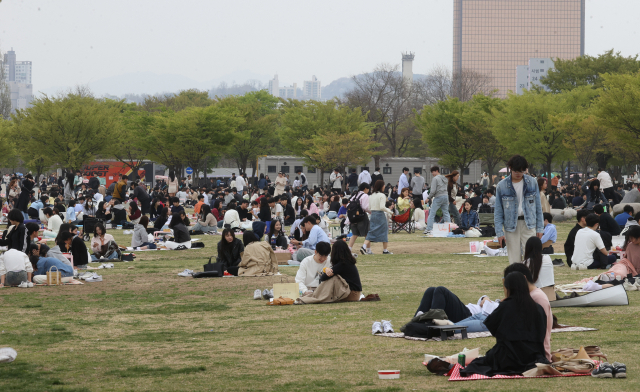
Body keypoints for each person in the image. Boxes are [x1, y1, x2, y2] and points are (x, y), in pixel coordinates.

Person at [460, 271, 549, 377]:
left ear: (508, 288)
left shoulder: (505, 307)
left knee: (480, 362)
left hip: (507, 357)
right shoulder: (538, 308)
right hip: (533, 357)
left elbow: (492, 327)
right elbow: (542, 332)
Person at [494, 155, 544, 264]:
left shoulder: (532, 182)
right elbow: (498, 211)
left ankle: (530, 280)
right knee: (514, 259)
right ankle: (516, 279)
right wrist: (499, 232)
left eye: (521, 171)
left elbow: (538, 207)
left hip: (529, 224)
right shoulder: (501, 186)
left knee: (531, 258)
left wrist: (540, 228)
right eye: (516, 171)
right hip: (511, 226)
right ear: (510, 168)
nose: (518, 174)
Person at [297, 240, 361, 304]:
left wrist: (327, 270)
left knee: (334, 278)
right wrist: (304, 291)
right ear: (315, 252)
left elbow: (324, 277)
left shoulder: (337, 263)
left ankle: (313, 298)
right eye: (321, 255)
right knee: (333, 277)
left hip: (348, 293)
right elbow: (299, 280)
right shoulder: (306, 262)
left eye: (326, 256)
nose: (323, 258)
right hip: (310, 289)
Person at [362, 180, 394, 255]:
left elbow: (369, 207)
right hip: (380, 214)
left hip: (373, 214)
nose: (384, 187)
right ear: (381, 186)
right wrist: (390, 211)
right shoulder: (382, 195)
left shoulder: (371, 195)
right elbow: (382, 207)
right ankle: (385, 250)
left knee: (372, 231)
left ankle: (364, 246)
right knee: (384, 230)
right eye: (383, 185)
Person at [424, 166, 451, 236]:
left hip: (438, 197)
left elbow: (433, 190)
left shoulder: (435, 179)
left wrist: (428, 197)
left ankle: (429, 229)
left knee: (432, 213)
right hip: (445, 196)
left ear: (436, 171)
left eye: (433, 172)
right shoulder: (445, 178)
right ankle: (449, 229)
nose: (432, 173)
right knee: (446, 213)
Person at [347, 183, 371, 252]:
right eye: (368, 189)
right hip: (361, 217)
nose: (368, 191)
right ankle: (368, 250)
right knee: (367, 234)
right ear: (365, 188)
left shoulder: (355, 195)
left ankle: (349, 249)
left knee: (354, 234)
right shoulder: (365, 195)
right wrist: (371, 211)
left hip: (353, 217)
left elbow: (349, 204)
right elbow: (365, 207)